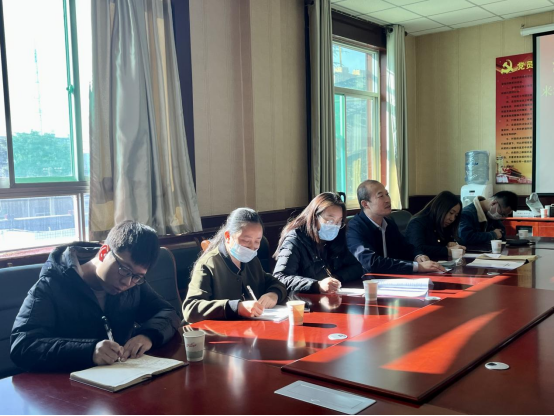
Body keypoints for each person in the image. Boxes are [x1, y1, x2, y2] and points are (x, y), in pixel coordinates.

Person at [11, 221, 181, 373]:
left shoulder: (132, 284)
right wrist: (89, 351)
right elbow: (23, 346)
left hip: (121, 380)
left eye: (137, 276)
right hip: (67, 388)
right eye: (124, 269)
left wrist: (148, 336)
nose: (127, 282)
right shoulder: (52, 284)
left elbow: (168, 312)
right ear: (104, 252)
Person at [183, 208, 287, 324]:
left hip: (251, 329)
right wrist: (236, 307)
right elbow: (191, 308)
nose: (252, 248)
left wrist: (274, 294)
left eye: (257, 241)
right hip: (219, 333)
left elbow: (275, 283)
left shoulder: (251, 260)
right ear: (228, 236)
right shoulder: (208, 264)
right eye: (246, 241)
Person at [347, 180, 445, 275]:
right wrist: (417, 267)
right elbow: (371, 262)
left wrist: (418, 256)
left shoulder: (389, 222)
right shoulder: (354, 228)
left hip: (393, 278)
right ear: (365, 204)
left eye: (387, 194)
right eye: (381, 196)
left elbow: (406, 247)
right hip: (367, 282)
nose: (387, 200)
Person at [273, 193, 364, 294]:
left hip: (330, 297)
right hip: (302, 299)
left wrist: (335, 278)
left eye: (339, 221)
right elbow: (280, 278)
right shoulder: (295, 239)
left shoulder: (338, 236)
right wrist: (316, 285)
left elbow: (357, 267)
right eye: (330, 220)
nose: (334, 226)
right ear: (315, 217)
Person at [406, 191, 466, 259]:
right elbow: (417, 249)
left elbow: (458, 239)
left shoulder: (443, 224)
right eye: (451, 213)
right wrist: (447, 251)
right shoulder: (417, 223)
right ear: (440, 208)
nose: (452, 219)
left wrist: (452, 243)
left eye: (456, 215)